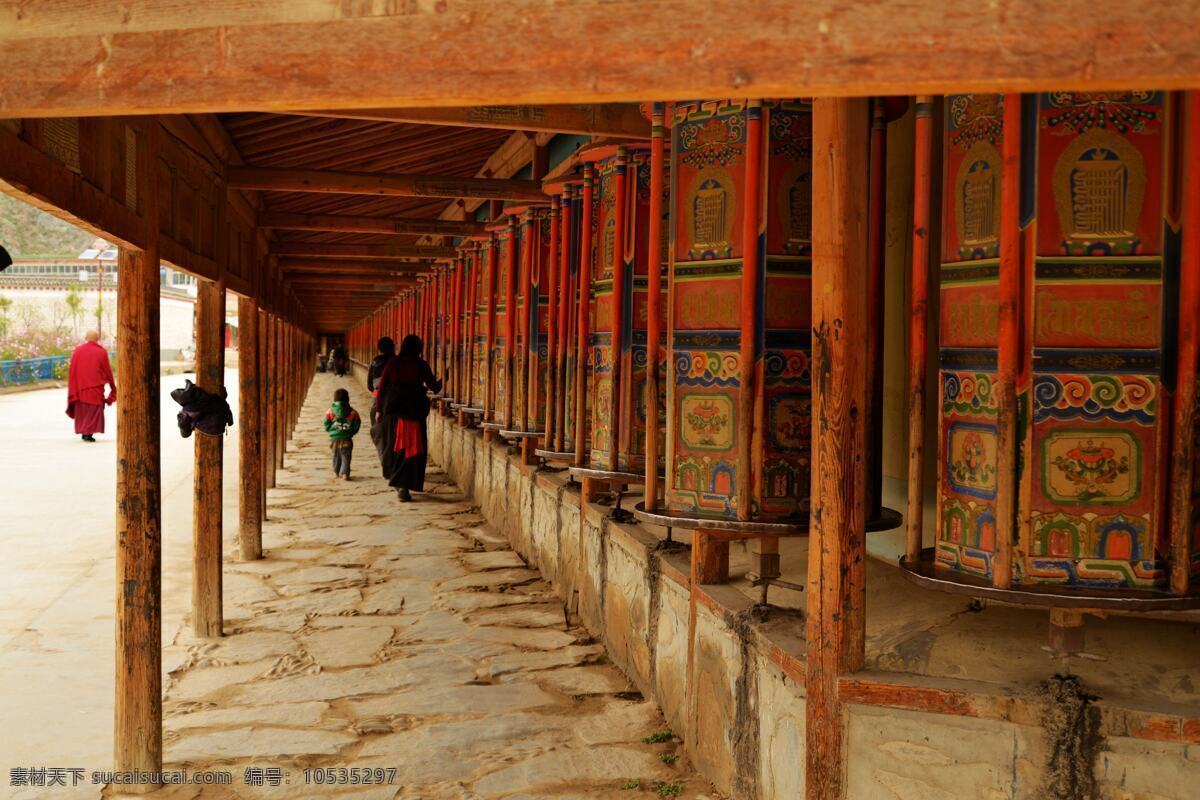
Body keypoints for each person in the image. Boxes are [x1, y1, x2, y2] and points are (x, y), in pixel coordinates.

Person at [376, 334, 441, 502]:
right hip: (414, 411)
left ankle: (399, 484)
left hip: (394, 412)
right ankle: (405, 485)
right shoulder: (421, 365)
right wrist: (447, 376)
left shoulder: (394, 363)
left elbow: (382, 388)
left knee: (396, 447)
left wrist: (378, 410)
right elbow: (434, 387)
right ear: (419, 348)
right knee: (413, 447)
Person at [66, 330, 116, 442]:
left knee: (82, 410)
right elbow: (107, 370)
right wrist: (112, 385)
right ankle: (89, 433)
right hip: (95, 387)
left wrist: (74, 386)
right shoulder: (101, 352)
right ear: (97, 339)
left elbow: (72, 371)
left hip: (80, 387)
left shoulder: (77, 351)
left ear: (86, 338)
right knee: (94, 410)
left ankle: (84, 432)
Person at [323, 388, 361, 480]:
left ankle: (336, 473)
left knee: (336, 455)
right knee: (346, 455)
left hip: (334, 438)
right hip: (347, 438)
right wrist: (351, 432)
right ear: (348, 399)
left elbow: (326, 423)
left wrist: (330, 430)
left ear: (334, 399)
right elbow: (357, 424)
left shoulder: (330, 411)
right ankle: (345, 474)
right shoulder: (353, 412)